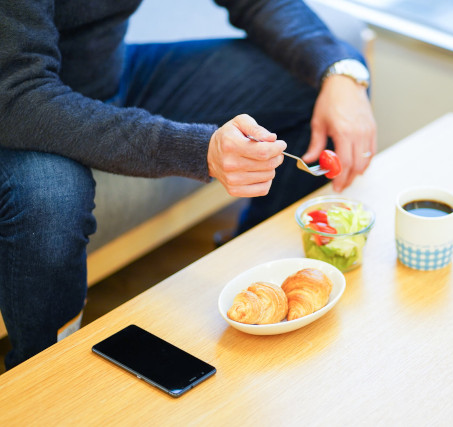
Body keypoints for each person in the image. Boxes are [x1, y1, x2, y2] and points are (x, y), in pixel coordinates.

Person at [0, 0, 376, 370]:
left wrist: (340, 72)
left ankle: (247, 270)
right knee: (54, 197)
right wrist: (199, 150)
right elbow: (16, 93)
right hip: (17, 99)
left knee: (321, 83)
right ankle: (40, 376)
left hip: (106, 78)